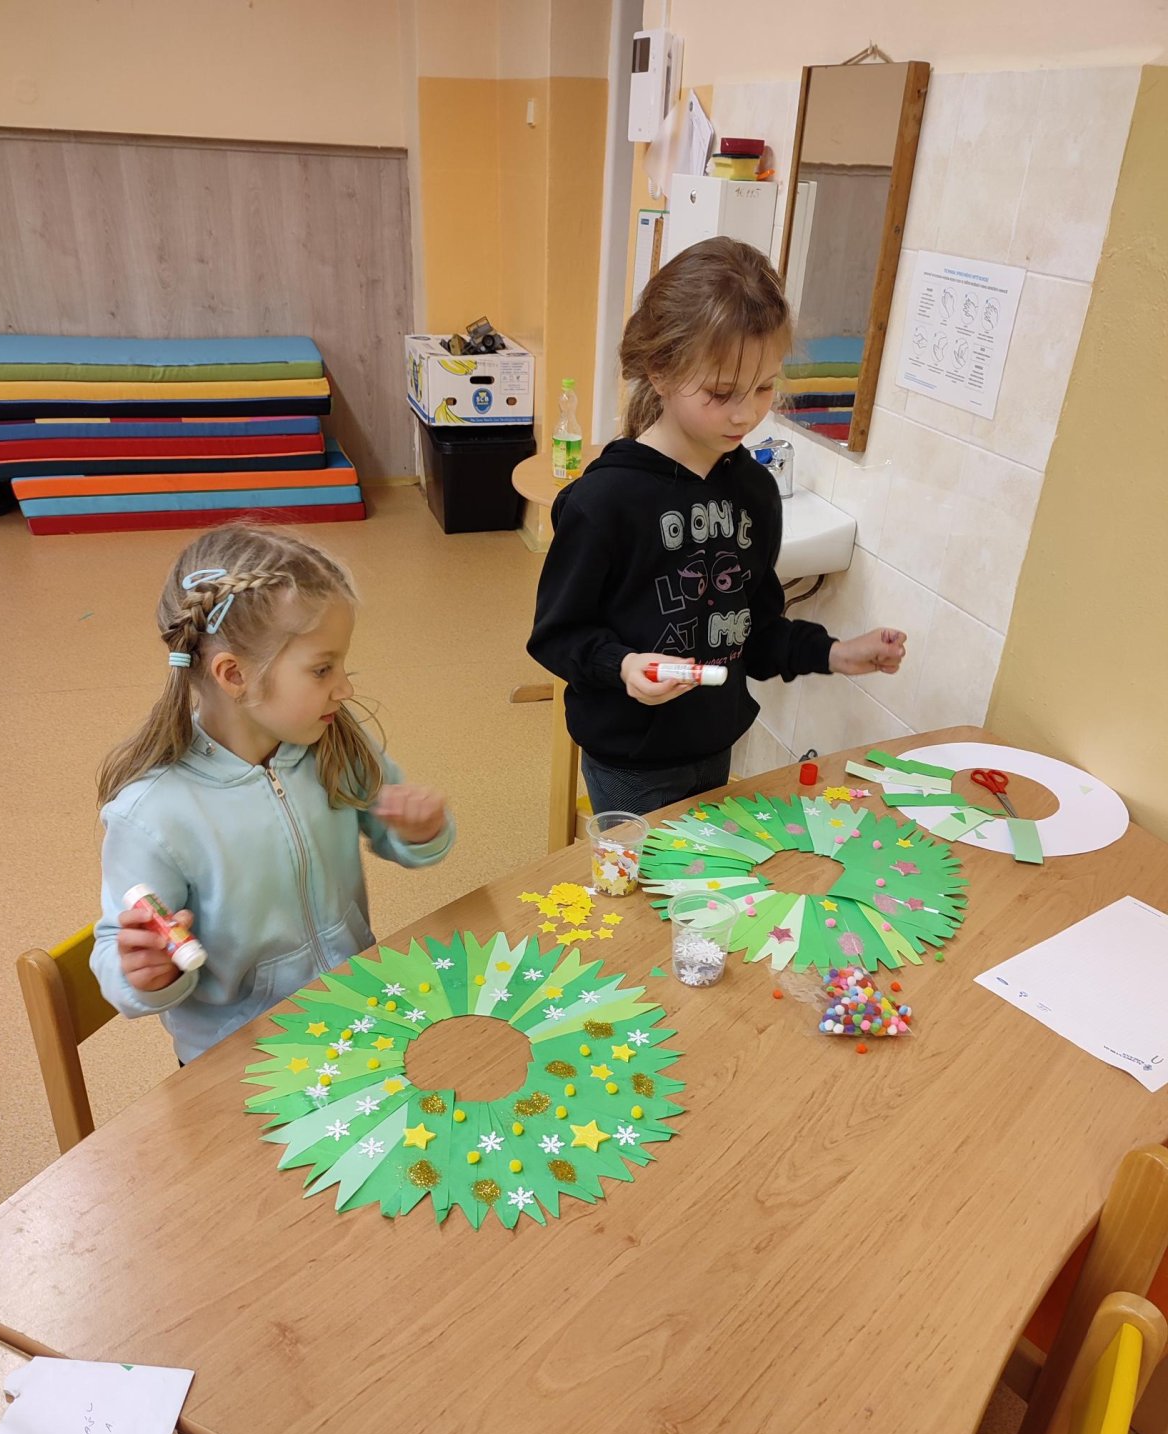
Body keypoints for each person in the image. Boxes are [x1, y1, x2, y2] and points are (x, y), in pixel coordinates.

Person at [527, 237, 906, 816]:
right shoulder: (604, 501)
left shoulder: (753, 492)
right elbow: (557, 636)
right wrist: (623, 666)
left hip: (716, 743)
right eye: (722, 393)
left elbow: (754, 631)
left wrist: (834, 653)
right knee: (648, 877)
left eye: (764, 387)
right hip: (631, 761)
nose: (746, 413)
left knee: (709, 873)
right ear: (660, 371)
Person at [91, 521, 453, 1062]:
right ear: (234, 675)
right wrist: (145, 975)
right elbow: (115, 950)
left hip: (353, 1013)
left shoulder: (333, 739)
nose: (345, 687)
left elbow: (396, 832)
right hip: (237, 1054)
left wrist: (419, 832)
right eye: (323, 669)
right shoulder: (152, 814)